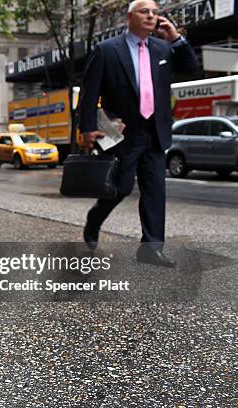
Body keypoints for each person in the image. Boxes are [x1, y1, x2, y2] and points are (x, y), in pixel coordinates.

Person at [79, 0, 199, 267]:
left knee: (155, 190)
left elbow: (192, 68)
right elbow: (89, 94)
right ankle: (94, 219)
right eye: (145, 11)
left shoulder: (163, 48)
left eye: (155, 12)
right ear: (129, 17)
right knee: (119, 187)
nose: (152, 16)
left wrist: (177, 38)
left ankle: (151, 248)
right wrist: (87, 129)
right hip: (121, 132)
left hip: (155, 131)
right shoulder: (107, 50)